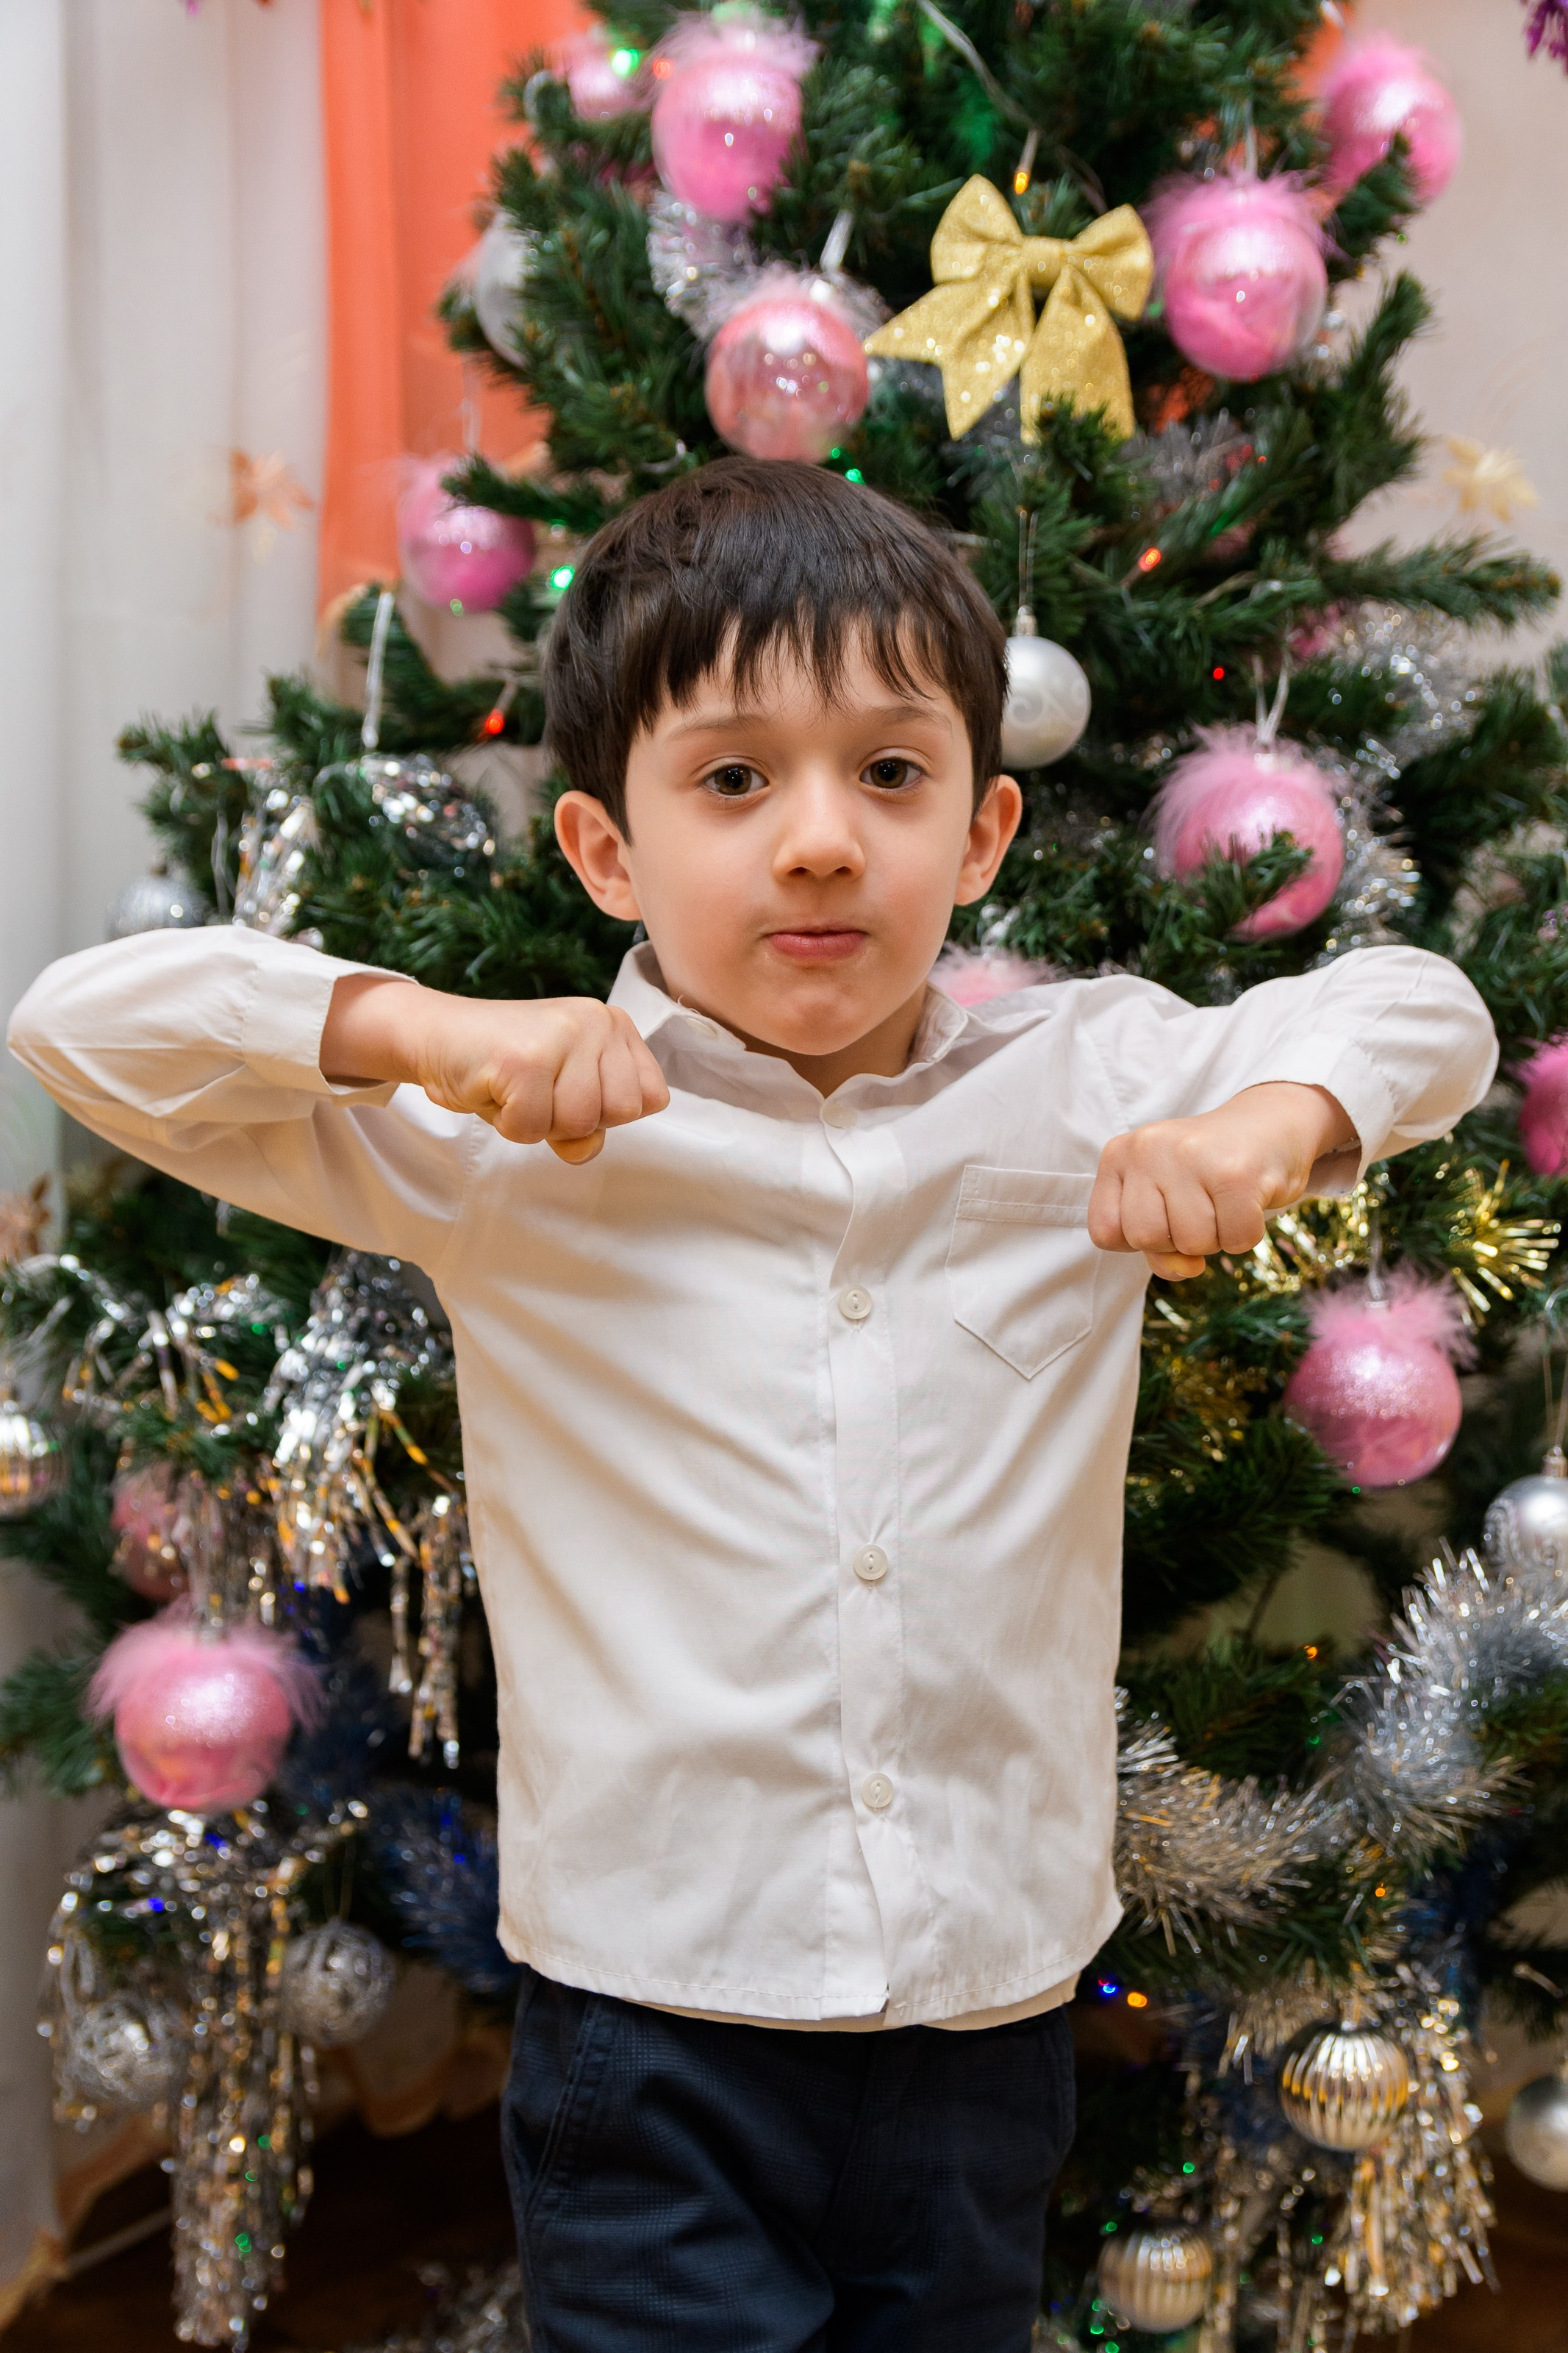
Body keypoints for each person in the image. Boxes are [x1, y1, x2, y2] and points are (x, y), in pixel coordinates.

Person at [9, 457, 1496, 2352]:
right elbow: (82, 1020)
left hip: (987, 1999)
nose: (818, 842)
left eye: (890, 774)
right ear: (606, 852)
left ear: (981, 832)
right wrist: (416, 1029)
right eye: (732, 779)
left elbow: (1424, 1006)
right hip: (652, 2005)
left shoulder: (1092, 1075)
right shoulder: (506, 1122)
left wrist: (1266, 1125)